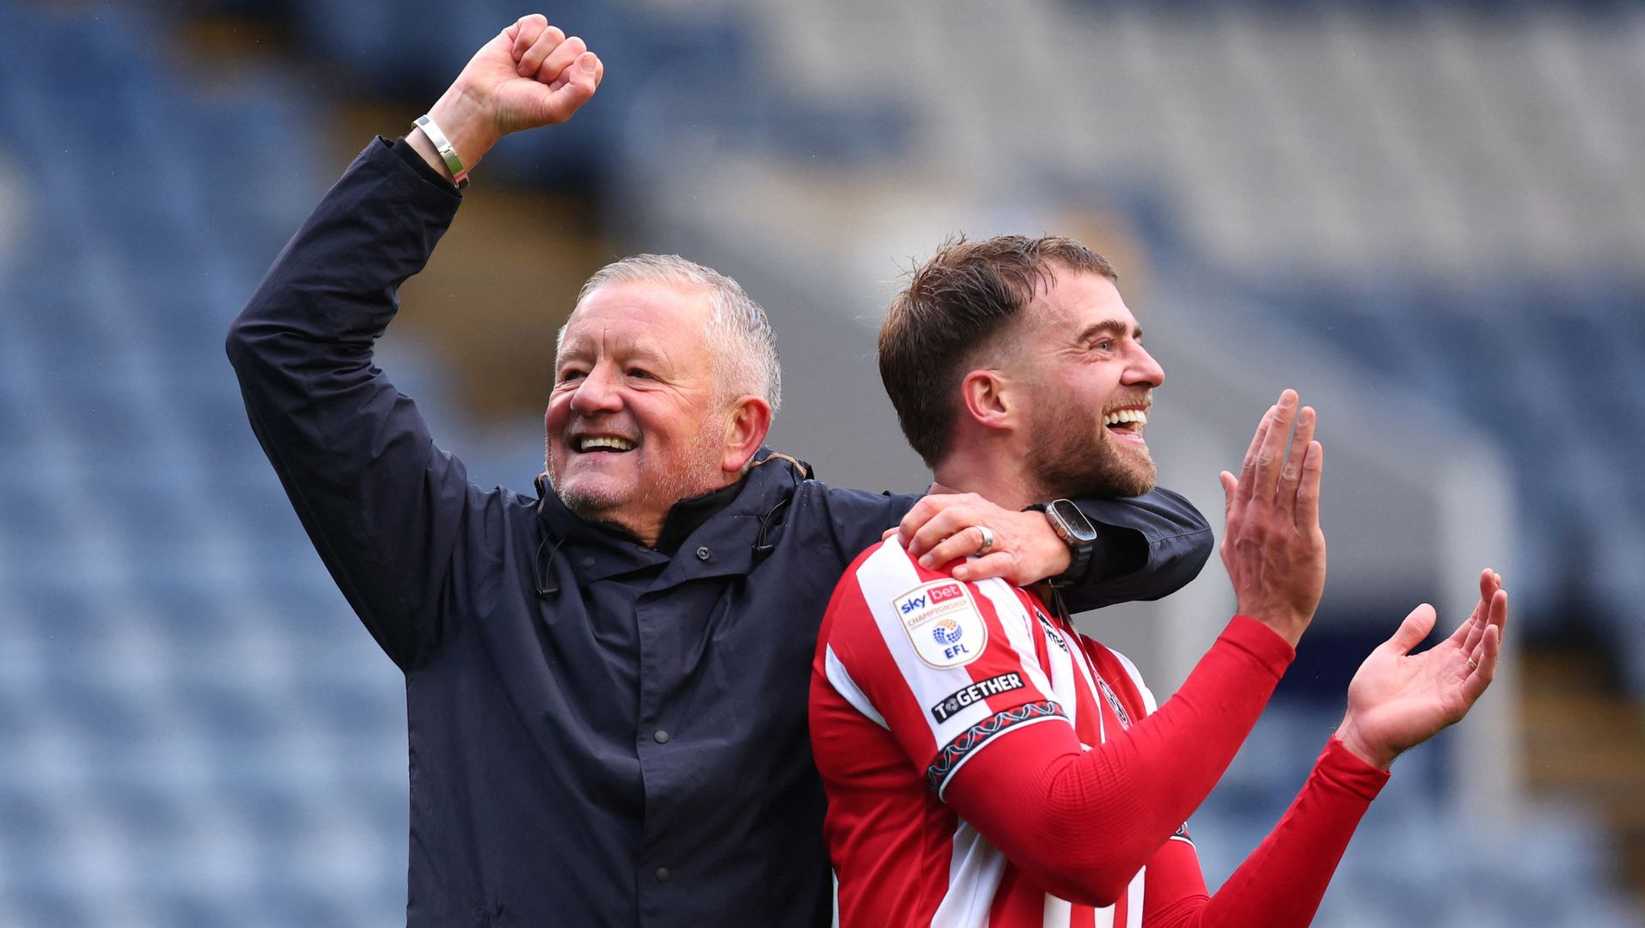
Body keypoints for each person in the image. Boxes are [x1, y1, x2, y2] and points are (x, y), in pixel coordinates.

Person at [225, 16, 1216, 928]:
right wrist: (457, 129)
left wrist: (1060, 534)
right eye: (572, 369)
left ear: (743, 428)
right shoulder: (454, 562)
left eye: (636, 372)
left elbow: (1173, 525)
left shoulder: (846, 552)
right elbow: (287, 349)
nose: (588, 395)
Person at [809, 236, 1509, 927]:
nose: (1149, 369)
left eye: (1136, 339)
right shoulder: (912, 584)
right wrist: (1263, 631)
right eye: (1102, 344)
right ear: (993, 399)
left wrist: (1356, 753)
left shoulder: (1112, 677)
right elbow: (1076, 843)